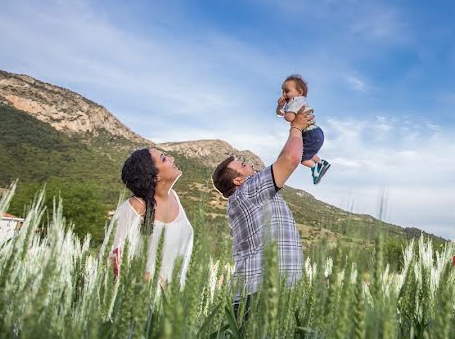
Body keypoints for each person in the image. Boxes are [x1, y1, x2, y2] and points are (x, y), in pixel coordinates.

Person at [212, 106, 313, 312]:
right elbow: (289, 159)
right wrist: (296, 128)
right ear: (238, 179)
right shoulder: (249, 189)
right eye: (242, 164)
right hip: (265, 294)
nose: (248, 163)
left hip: (263, 292)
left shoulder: (243, 197)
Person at [107, 148, 194, 286]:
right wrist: (155, 282)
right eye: (164, 158)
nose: (172, 158)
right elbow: (112, 256)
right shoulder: (136, 206)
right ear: (155, 176)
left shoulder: (175, 197)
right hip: (145, 299)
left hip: (178, 300)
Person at [276, 74, 331, 184]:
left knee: (302, 158)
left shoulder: (295, 101)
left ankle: (315, 169)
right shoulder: (296, 102)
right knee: (309, 151)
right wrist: (280, 106)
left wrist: (285, 112)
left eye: (287, 91)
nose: (283, 94)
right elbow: (280, 113)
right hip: (316, 133)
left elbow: (289, 117)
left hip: (310, 134)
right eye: (282, 91)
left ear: (299, 92)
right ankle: (321, 163)